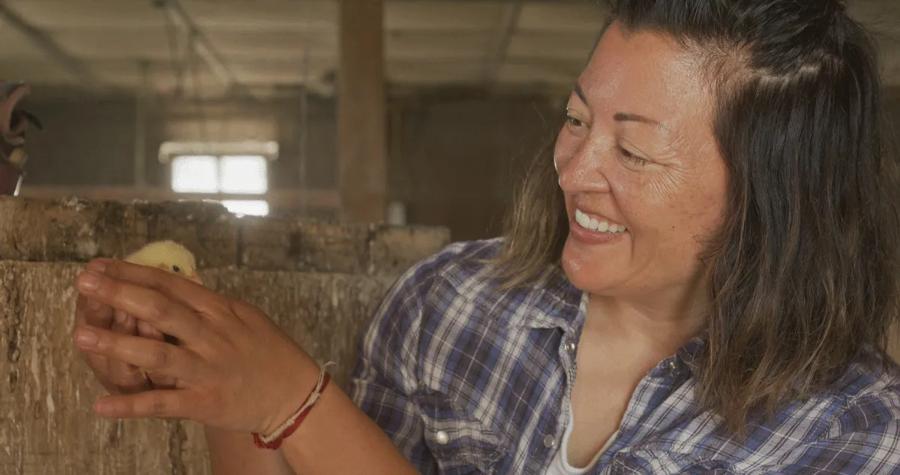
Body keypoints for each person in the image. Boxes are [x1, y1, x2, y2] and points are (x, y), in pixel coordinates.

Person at [74, 0, 900, 473]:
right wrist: (228, 387)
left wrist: (298, 401)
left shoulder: (850, 432)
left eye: (635, 149)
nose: (574, 169)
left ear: (774, 197)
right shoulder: (451, 305)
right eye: (576, 119)